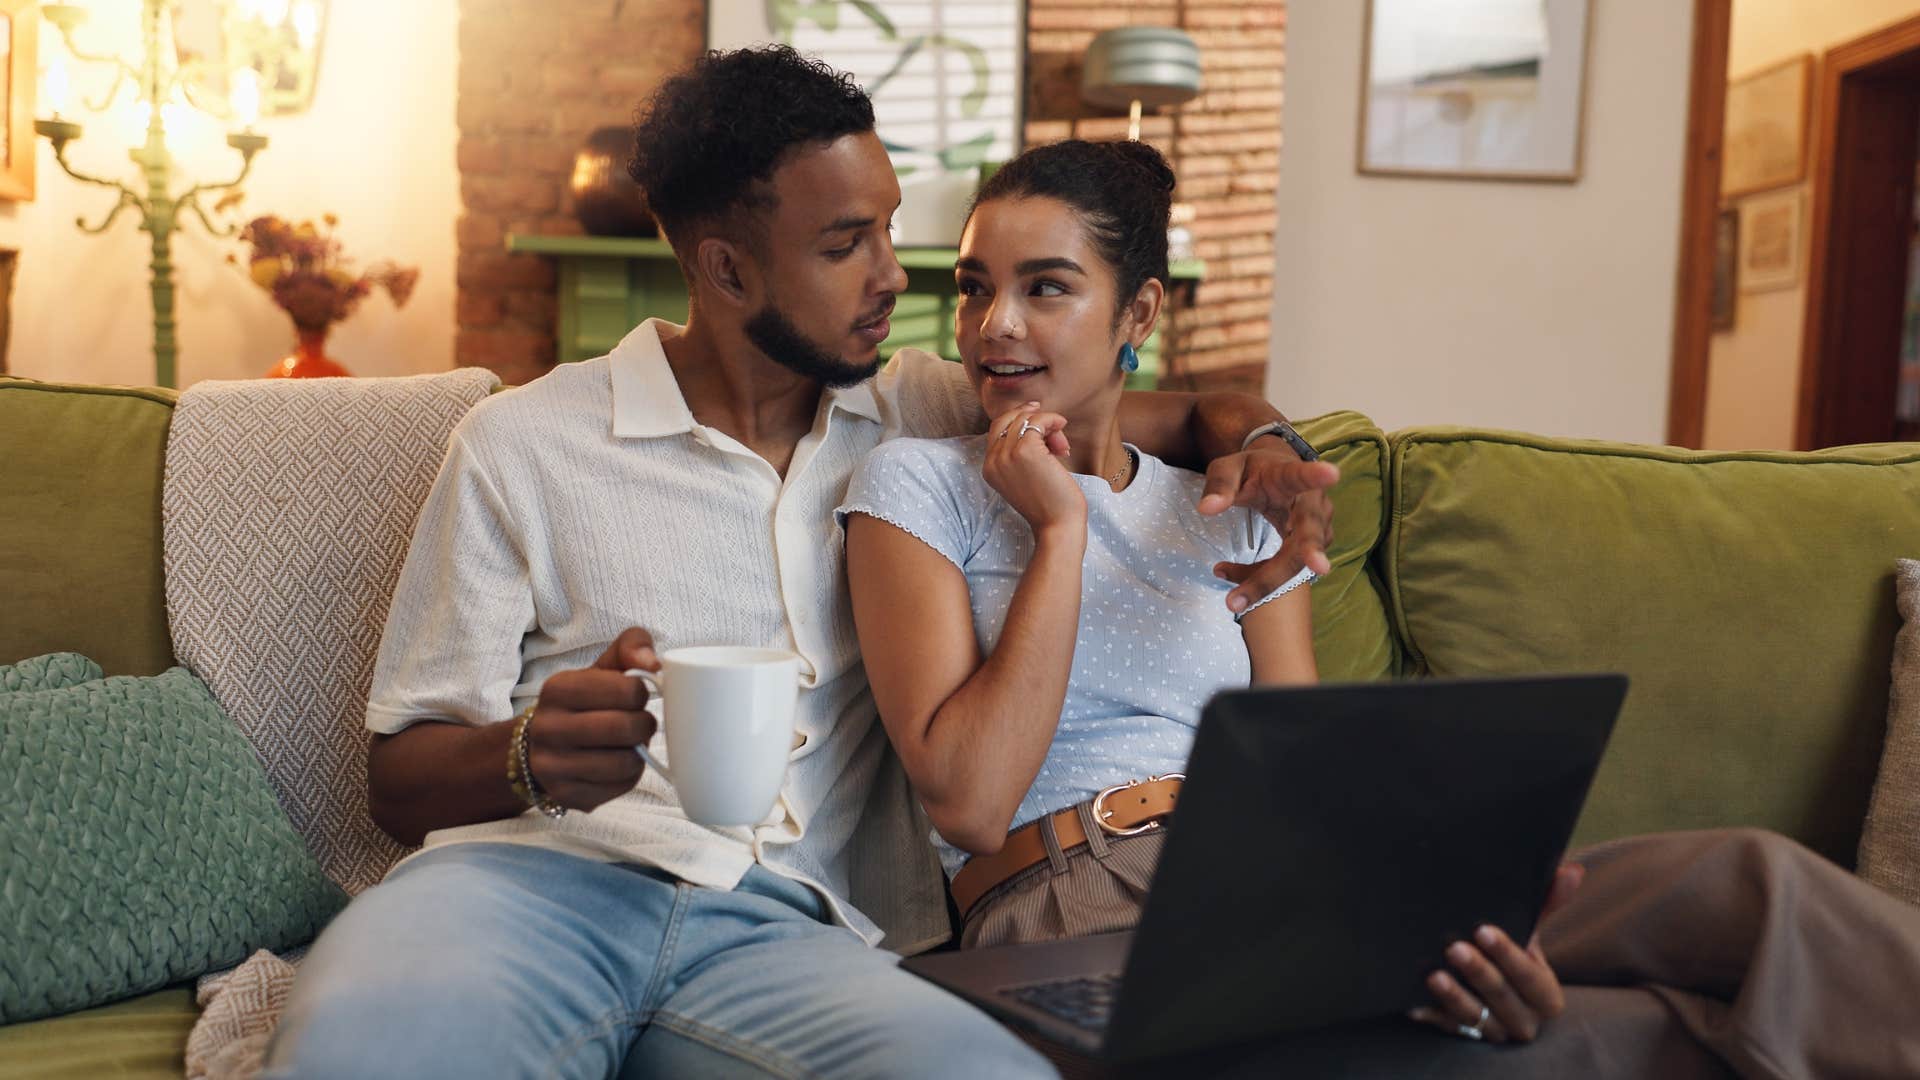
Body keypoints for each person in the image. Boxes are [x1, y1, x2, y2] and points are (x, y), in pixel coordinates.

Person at [262, 46, 1338, 1079]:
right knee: (364, 1059)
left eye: (890, 232)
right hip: (525, 888)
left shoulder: (923, 407)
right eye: (844, 245)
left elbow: (1182, 409)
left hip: (793, 930)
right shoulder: (524, 444)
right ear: (727, 267)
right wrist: (526, 756)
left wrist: (1271, 447)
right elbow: (397, 779)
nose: (890, 275)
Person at [841, 137, 1920, 1077]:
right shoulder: (920, 484)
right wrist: (1060, 536)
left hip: (1294, 878)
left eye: (1046, 287)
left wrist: (1426, 908)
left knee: (1750, 879)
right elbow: (972, 804)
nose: (995, 325)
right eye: (978, 287)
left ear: (1140, 311)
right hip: (1080, 895)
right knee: (1648, 1036)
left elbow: (1308, 772)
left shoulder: (1232, 502)